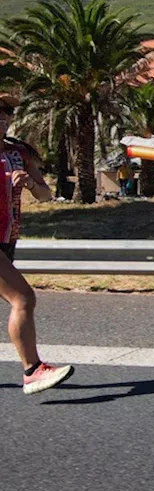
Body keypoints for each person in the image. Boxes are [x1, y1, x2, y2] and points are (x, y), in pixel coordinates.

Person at [0, 92, 74, 395]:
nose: (3, 116)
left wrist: (30, 184)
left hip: (7, 238)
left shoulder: (19, 153)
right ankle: (33, 370)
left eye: (7, 112)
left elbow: (46, 195)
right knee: (23, 299)